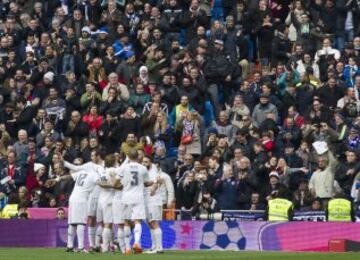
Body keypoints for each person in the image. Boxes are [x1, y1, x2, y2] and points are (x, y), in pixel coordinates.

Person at [113, 149, 154, 255]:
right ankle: (136, 242)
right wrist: (153, 182)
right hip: (138, 197)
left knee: (126, 222)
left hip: (126, 197)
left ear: (129, 157)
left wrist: (121, 186)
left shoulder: (123, 167)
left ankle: (127, 248)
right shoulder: (143, 168)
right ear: (138, 157)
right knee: (137, 221)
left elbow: (115, 183)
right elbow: (146, 183)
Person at [63, 150, 105, 252]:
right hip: (81, 199)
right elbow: (102, 182)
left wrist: (57, 179)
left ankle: (69, 246)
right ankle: (81, 247)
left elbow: (70, 176)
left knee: (72, 222)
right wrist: (113, 185)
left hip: (73, 198)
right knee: (81, 222)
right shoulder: (95, 174)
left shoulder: (82, 172)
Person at [142, 156, 174, 254]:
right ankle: (154, 246)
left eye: (146, 162)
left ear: (151, 163)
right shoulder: (144, 172)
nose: (144, 164)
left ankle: (159, 248)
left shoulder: (156, 172)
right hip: (147, 201)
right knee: (150, 224)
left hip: (154, 201)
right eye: (143, 162)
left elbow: (157, 182)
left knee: (154, 223)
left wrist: (154, 188)